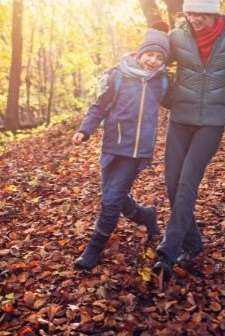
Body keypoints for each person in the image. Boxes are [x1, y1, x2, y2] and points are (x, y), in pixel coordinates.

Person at [152, 0, 225, 280]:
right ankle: (193, 242)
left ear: (214, 13)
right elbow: (151, 56)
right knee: (171, 184)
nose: (195, 19)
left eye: (201, 14)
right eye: (190, 13)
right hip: (179, 119)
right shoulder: (177, 37)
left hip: (210, 123)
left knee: (187, 183)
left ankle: (168, 250)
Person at [72, 24, 170, 270]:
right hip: (112, 146)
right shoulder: (119, 75)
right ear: (140, 53)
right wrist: (85, 130)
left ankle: (94, 247)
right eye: (150, 54)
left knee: (111, 200)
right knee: (113, 196)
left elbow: (179, 103)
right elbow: (99, 106)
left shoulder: (163, 82)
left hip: (136, 152)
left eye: (159, 57)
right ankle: (145, 215)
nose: (153, 60)